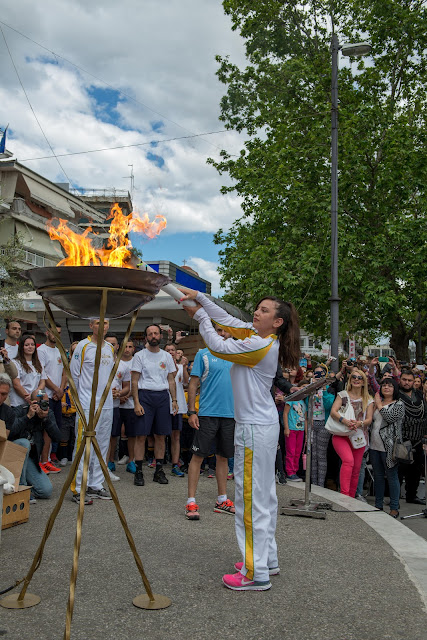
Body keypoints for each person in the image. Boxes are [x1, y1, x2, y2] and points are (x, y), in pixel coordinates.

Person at [180, 288, 300, 592]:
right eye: (257, 309)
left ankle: (253, 572)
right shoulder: (256, 335)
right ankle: (267, 560)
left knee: (249, 499)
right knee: (265, 497)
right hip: (260, 426)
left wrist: (200, 317)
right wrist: (200, 298)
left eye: (263, 310)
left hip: (253, 429)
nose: (256, 313)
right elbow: (229, 320)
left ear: (277, 322)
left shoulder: (260, 346)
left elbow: (219, 346)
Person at [185, 325, 235, 520]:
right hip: (207, 414)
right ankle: (190, 501)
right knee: (198, 457)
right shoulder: (203, 354)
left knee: (223, 457)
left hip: (231, 415)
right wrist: (191, 412)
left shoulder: (236, 355)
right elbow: (193, 383)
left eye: (224, 331)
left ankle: (222, 499)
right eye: (218, 331)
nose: (221, 334)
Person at [70, 318, 115, 504]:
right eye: (97, 323)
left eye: (105, 323)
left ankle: (96, 484)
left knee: (102, 444)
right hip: (87, 404)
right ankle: (78, 487)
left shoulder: (109, 348)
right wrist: (79, 402)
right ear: (90, 326)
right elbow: (74, 376)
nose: (102, 326)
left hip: (107, 404)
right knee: (83, 445)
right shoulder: (82, 346)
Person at [131, 324, 178, 486]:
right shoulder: (139, 356)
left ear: (160, 336)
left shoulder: (166, 356)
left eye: (156, 333)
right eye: (150, 334)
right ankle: (138, 471)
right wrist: (136, 402)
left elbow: (171, 380)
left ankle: (158, 470)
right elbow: (134, 381)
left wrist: (174, 400)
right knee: (141, 435)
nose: (153, 336)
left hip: (163, 397)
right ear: (146, 338)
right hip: (145, 396)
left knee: (161, 435)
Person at [0, 375, 61, 500]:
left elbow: (57, 438)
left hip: (31, 460)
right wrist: (28, 417)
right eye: (37, 403)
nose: (41, 406)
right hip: (14, 455)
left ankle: (27, 486)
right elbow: (9, 433)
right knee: (24, 443)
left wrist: (45, 419)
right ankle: (21, 487)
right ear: (30, 402)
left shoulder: (47, 414)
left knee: (46, 491)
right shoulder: (20, 411)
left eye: (44, 403)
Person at [329, 369, 374, 497]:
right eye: (353, 377)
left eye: (360, 378)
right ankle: (344, 496)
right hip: (341, 434)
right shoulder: (342, 395)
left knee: (356, 468)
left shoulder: (369, 399)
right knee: (348, 461)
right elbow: (333, 411)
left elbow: (369, 419)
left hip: (359, 436)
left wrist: (360, 423)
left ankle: (351, 498)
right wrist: (345, 421)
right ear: (350, 380)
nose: (356, 379)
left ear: (364, 382)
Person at [370, 379, 404, 518]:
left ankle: (394, 507)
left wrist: (378, 404)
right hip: (374, 445)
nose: (386, 387)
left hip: (390, 447)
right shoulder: (376, 404)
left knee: (392, 476)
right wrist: (376, 405)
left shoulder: (399, 404)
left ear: (395, 389)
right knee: (377, 477)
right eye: (384, 385)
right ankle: (378, 505)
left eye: (390, 385)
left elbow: (389, 417)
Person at [37, 323, 66, 467]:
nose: (57, 335)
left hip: (57, 396)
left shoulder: (60, 350)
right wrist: (56, 389)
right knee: (45, 430)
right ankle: (43, 461)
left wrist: (60, 390)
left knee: (53, 430)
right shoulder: (41, 350)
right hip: (45, 395)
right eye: (54, 332)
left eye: (59, 332)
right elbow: (43, 374)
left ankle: (47, 460)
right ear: (47, 332)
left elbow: (64, 372)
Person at [398, 370, 427, 505]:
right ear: (400, 379)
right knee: (400, 469)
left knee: (416, 469)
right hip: (402, 438)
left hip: (418, 438)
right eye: (404, 379)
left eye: (410, 380)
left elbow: (424, 412)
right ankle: (395, 495)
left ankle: (412, 495)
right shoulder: (396, 394)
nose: (407, 382)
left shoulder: (419, 395)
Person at [105, 333, 130, 483]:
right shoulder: (97, 362)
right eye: (107, 343)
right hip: (99, 407)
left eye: (113, 344)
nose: (110, 347)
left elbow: (127, 387)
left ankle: (108, 464)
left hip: (114, 407)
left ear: (117, 346)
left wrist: (119, 393)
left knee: (112, 437)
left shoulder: (123, 366)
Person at [165, 343, 189, 477]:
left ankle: (175, 464)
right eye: (167, 350)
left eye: (173, 350)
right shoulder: (162, 367)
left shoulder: (180, 366)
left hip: (177, 405)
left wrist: (184, 367)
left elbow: (186, 382)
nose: (170, 352)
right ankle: (159, 461)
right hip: (164, 404)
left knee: (176, 436)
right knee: (161, 435)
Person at [310, 365, 335, 488]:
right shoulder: (310, 387)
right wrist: (311, 386)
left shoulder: (329, 389)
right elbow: (304, 403)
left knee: (321, 455)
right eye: (316, 373)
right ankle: (314, 484)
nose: (318, 376)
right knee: (312, 455)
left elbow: (329, 405)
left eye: (321, 374)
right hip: (311, 423)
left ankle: (320, 485)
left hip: (324, 425)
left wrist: (324, 388)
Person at [9, 335, 46, 408]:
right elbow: (16, 384)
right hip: (19, 404)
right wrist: (27, 397)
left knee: (45, 395)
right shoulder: (15, 363)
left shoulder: (39, 363)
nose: (30, 347)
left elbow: (43, 382)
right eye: (27, 345)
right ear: (21, 347)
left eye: (32, 345)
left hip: (35, 402)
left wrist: (36, 395)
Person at [283, 388, 307, 481]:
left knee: (297, 452)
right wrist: (286, 428)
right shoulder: (291, 400)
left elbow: (304, 418)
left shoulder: (303, 402)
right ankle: (289, 472)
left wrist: (305, 433)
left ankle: (295, 471)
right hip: (291, 429)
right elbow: (285, 413)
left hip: (300, 430)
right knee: (291, 451)